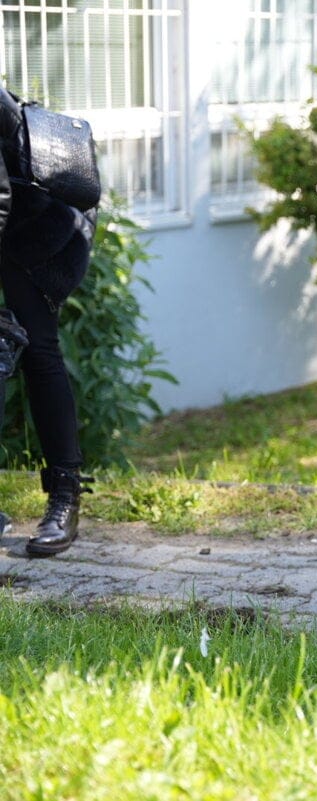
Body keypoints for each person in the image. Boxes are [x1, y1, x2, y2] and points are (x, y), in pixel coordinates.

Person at [0, 87, 95, 557]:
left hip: (37, 225)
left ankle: (65, 497)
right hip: (12, 216)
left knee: (38, 350)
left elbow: (2, 194)